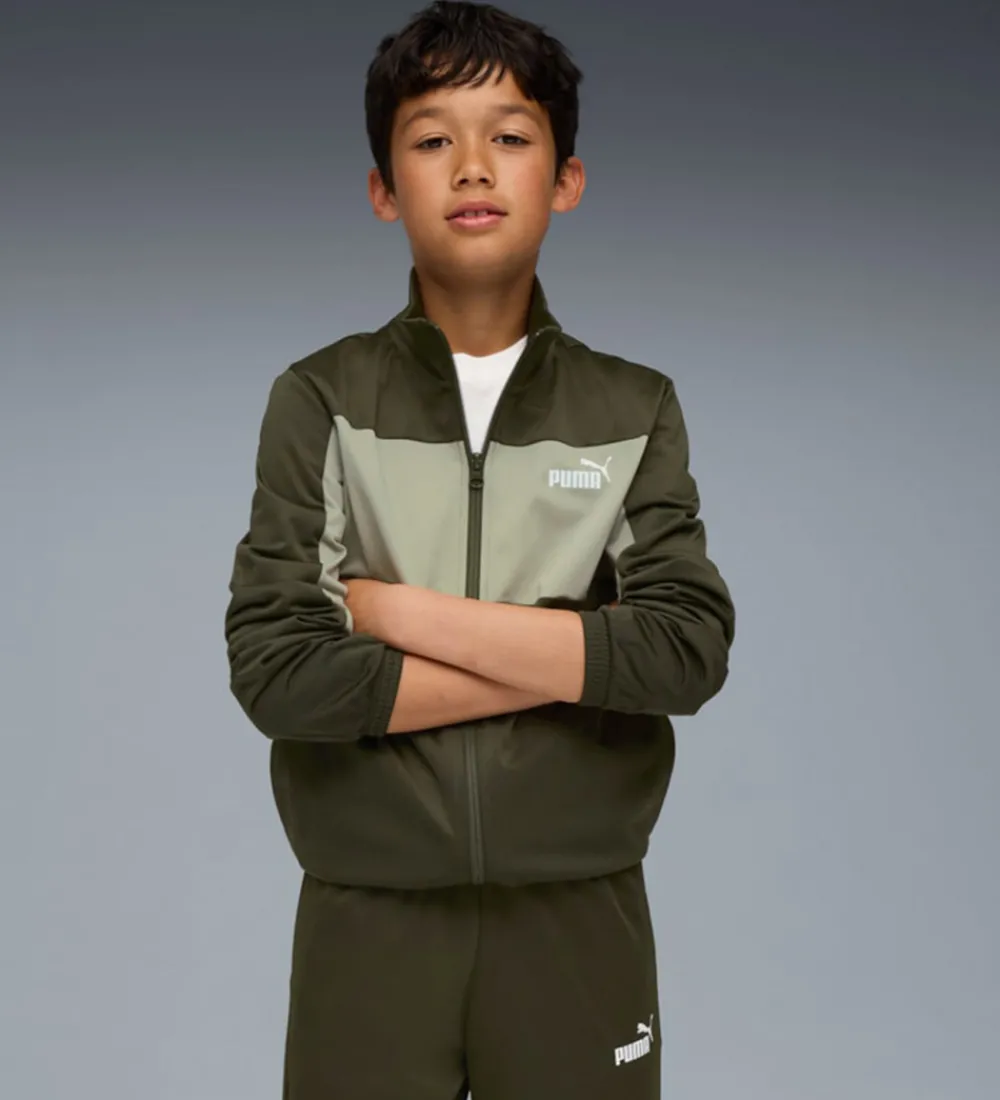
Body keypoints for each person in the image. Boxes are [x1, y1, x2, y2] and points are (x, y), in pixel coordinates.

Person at [224, 2, 736, 1097]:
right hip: (367, 913)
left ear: (566, 179)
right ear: (382, 187)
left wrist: (397, 612)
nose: (471, 165)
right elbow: (278, 670)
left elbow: (685, 652)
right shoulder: (320, 399)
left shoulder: (631, 408)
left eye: (508, 135)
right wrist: (570, 656)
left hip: (578, 913)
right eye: (430, 138)